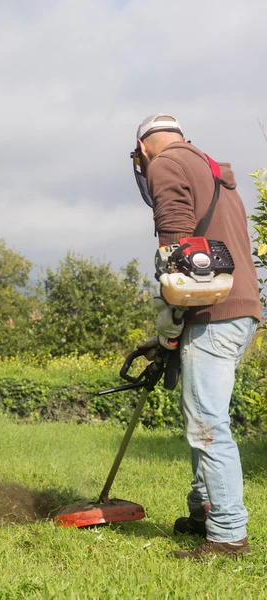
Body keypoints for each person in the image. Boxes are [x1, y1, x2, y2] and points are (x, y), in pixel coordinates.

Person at [134, 114, 262, 559]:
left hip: (213, 312)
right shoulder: (214, 173)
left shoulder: (165, 163)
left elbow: (178, 251)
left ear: (143, 148)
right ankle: (202, 511)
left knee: (208, 425)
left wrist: (169, 319)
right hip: (239, 309)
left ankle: (227, 536)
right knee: (200, 416)